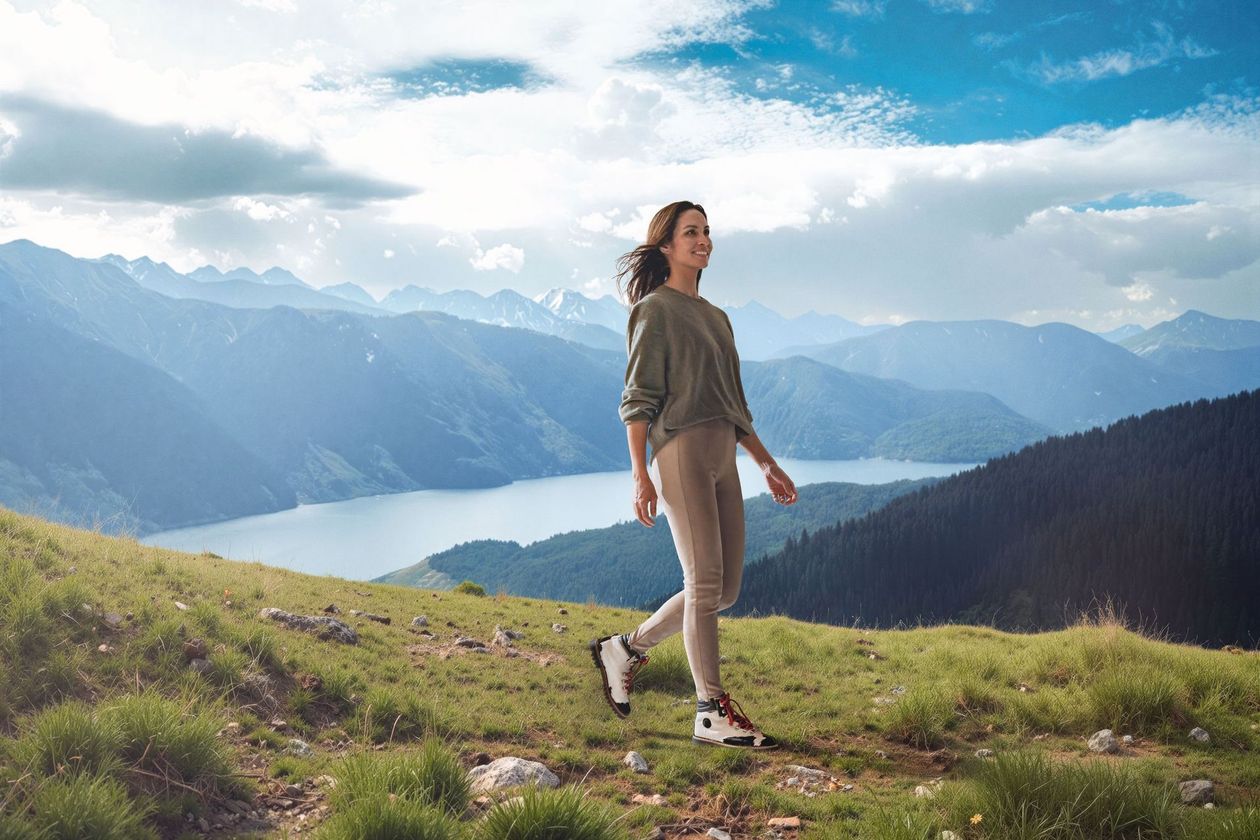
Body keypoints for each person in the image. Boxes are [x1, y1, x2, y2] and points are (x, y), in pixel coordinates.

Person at [589, 200, 799, 750]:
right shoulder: (654, 310)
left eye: (707, 231)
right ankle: (710, 711)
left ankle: (625, 649)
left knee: (723, 590)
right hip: (678, 451)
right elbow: (637, 399)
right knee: (703, 581)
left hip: (723, 456)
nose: (703, 240)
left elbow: (733, 403)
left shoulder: (716, 317)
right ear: (666, 246)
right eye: (691, 232)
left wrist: (767, 463)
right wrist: (641, 474)